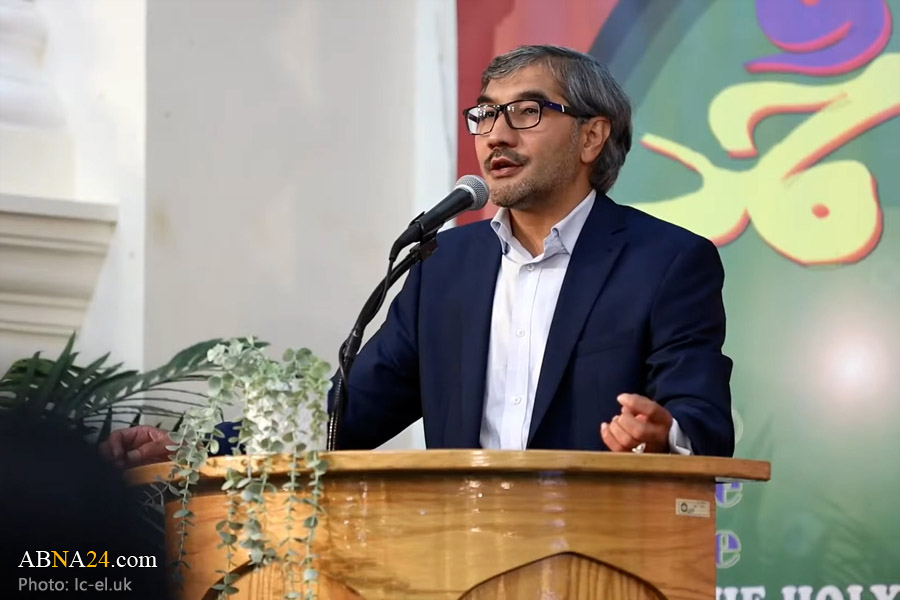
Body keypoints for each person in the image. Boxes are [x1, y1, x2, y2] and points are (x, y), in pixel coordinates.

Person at [102, 45, 734, 466]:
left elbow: (704, 422)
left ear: (592, 135)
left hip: (601, 555)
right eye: (484, 115)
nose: (496, 134)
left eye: (525, 112)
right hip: (459, 553)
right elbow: (348, 418)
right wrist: (194, 449)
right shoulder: (444, 266)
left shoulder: (666, 262)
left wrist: (663, 436)